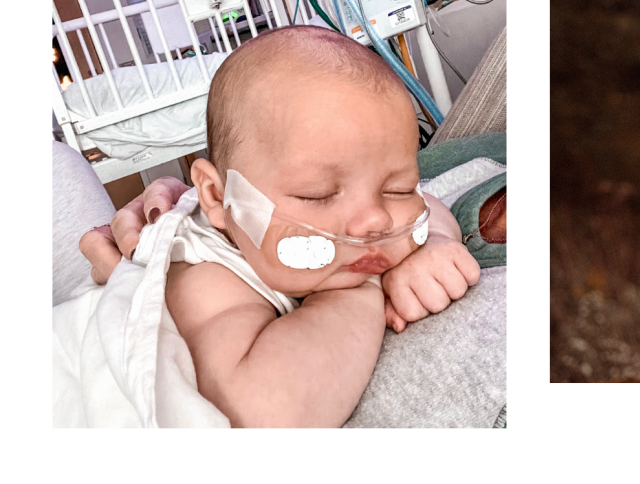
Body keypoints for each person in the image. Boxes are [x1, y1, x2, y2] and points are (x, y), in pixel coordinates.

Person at [76, 25, 480, 425]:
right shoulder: (205, 276)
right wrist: (363, 287)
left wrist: (435, 241)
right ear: (218, 198)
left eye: (396, 188)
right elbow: (266, 413)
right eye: (317, 194)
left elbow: (426, 204)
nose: (375, 219)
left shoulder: (363, 218)